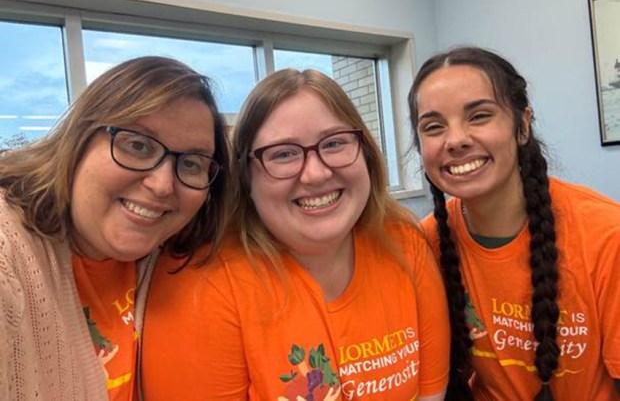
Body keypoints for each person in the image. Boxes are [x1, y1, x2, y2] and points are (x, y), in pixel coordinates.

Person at [142, 68, 450, 400]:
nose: (316, 174)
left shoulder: (403, 241)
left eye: (334, 143)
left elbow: (430, 395)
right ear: (245, 177)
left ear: (366, 152)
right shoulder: (203, 286)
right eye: (283, 154)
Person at [0, 56, 229, 400]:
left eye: (192, 163)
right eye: (138, 145)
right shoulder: (9, 251)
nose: (163, 185)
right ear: (79, 139)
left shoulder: (168, 255)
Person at [407, 46, 620, 401]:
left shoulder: (605, 233)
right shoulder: (428, 242)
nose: (456, 139)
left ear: (522, 126)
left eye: (479, 116)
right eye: (433, 126)